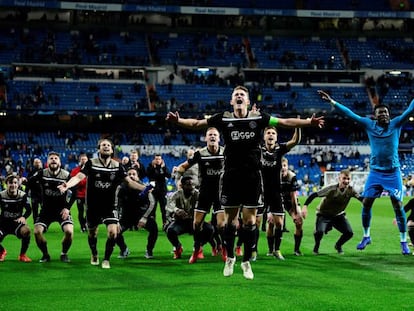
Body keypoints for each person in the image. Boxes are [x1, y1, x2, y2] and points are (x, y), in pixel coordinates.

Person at [166, 85, 324, 280]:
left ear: (248, 101)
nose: (239, 97)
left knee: (250, 222)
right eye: (236, 95)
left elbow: (283, 121)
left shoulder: (259, 118)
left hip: (252, 177)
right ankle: (230, 257)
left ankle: (247, 261)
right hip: (231, 177)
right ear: (232, 101)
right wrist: (178, 120)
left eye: (242, 95)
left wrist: (308, 122)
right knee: (230, 222)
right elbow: (197, 124)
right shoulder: (223, 118)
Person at [318, 90, 414, 255]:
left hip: (393, 173)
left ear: (389, 115)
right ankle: (366, 236)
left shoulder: (396, 123)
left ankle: (403, 240)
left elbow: (410, 110)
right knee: (366, 203)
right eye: (380, 113)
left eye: (385, 112)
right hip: (375, 172)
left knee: (398, 205)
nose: (383, 115)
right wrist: (332, 102)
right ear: (375, 116)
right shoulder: (369, 125)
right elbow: (350, 114)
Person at [57, 138, 148, 269]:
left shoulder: (117, 166)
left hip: (110, 205)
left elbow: (130, 182)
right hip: (93, 205)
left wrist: (144, 188)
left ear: (112, 149)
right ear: (99, 149)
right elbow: (79, 177)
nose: (106, 147)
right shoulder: (91, 163)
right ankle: (94, 253)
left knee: (113, 232)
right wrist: (67, 185)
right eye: (103, 145)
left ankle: (106, 259)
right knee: (92, 233)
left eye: (108, 145)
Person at [174, 127, 226, 263]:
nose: (213, 137)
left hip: (221, 193)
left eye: (215, 134)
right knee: (196, 224)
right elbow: (182, 167)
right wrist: (178, 178)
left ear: (219, 138)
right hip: (205, 193)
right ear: (206, 138)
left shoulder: (225, 152)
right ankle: (197, 250)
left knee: (221, 225)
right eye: (210, 135)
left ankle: (225, 250)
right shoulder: (200, 154)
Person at [260, 127, 301, 261]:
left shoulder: (279, 149)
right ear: (264, 136)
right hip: (260, 191)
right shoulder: (258, 149)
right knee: (254, 222)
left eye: (273, 133)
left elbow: (295, 141)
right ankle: (253, 251)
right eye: (268, 133)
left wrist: (298, 125)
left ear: (276, 138)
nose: (270, 135)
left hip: (276, 193)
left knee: (279, 223)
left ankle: (276, 250)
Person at [302, 169, 363, 254]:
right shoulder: (331, 188)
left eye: (348, 179)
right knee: (319, 232)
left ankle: (338, 245)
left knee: (349, 233)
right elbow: (314, 195)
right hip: (323, 214)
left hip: (338, 215)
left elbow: (361, 199)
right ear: (339, 178)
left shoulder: (351, 190)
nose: (346, 181)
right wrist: (305, 206)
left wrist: (367, 203)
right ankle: (316, 246)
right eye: (344, 178)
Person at [27, 152, 73, 263]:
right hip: (46, 210)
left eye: (56, 158)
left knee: (69, 231)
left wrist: (67, 207)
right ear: (47, 162)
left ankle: (64, 253)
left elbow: (74, 192)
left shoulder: (66, 175)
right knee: (37, 232)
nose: (53, 160)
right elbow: (30, 183)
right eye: (51, 158)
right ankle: (45, 255)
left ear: (60, 162)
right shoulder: (41, 173)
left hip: (62, 210)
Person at [165, 176, 214, 260]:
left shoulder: (197, 194)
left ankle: (199, 247)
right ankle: (177, 247)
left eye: (192, 184)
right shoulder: (176, 194)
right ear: (182, 185)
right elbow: (169, 206)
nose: (191, 187)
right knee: (170, 230)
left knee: (210, 229)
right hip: (180, 222)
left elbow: (206, 206)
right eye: (188, 185)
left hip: (194, 221)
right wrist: (177, 210)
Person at [115, 167, 158, 259]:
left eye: (134, 174)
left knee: (154, 229)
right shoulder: (121, 188)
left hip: (140, 216)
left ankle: (149, 250)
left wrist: (145, 217)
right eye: (129, 174)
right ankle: (124, 249)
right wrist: (117, 219)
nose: (131, 176)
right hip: (126, 217)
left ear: (138, 177)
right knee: (114, 231)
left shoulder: (145, 187)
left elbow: (152, 202)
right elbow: (116, 204)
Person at [0, 174, 32, 262]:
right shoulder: (1, 195)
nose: (13, 185)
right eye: (10, 183)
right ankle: (1, 251)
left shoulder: (23, 195)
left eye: (15, 183)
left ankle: (22, 255)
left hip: (16, 223)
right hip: (3, 223)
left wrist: (24, 217)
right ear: (6, 184)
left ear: (18, 185)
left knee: (27, 231)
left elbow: (29, 210)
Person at [146, 154, 171, 226]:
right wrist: (154, 169)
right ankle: (152, 224)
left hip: (162, 191)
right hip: (153, 190)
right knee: (152, 208)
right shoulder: (150, 167)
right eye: (156, 159)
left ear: (161, 160)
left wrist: (163, 168)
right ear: (154, 160)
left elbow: (168, 175)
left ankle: (165, 223)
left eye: (159, 159)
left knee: (164, 208)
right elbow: (150, 176)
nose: (157, 160)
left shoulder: (164, 167)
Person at [68, 153, 88, 232]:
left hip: (88, 195)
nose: (83, 161)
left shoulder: (91, 170)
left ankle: (85, 223)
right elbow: (74, 181)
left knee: (89, 211)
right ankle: (82, 226)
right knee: (80, 211)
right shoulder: (75, 170)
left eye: (85, 159)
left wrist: (80, 180)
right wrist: (83, 181)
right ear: (80, 160)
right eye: (82, 159)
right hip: (79, 194)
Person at [25, 158, 43, 224]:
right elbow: (28, 184)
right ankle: (36, 223)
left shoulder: (44, 172)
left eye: (38, 162)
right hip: (34, 194)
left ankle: (42, 222)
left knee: (44, 210)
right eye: (36, 162)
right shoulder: (31, 173)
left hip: (43, 195)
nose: (37, 164)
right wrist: (26, 194)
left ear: (41, 163)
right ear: (33, 164)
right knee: (35, 210)